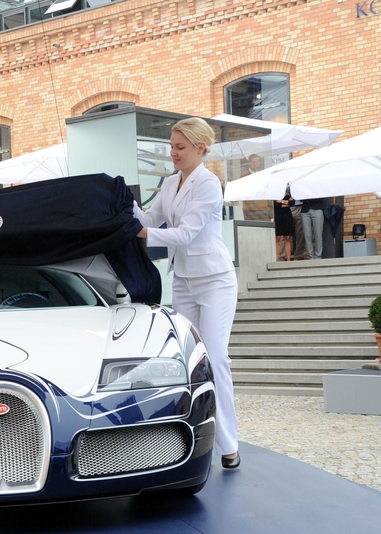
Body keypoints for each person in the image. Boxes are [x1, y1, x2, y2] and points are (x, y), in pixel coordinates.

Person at [133, 117, 240, 469]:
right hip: (183, 279)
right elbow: (150, 219)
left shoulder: (209, 184)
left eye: (179, 147)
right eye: (171, 146)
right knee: (186, 360)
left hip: (215, 280)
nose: (173, 153)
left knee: (216, 358)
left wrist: (142, 234)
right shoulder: (169, 183)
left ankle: (229, 445)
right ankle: (187, 440)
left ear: (200, 148)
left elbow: (186, 234)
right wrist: (121, 204)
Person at [274, 187, 294, 261]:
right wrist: (287, 202)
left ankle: (288, 259)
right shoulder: (274, 193)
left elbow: (292, 203)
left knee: (288, 237)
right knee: (277, 237)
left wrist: (281, 201)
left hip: (287, 215)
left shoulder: (289, 192)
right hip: (277, 215)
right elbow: (276, 204)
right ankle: (277, 259)